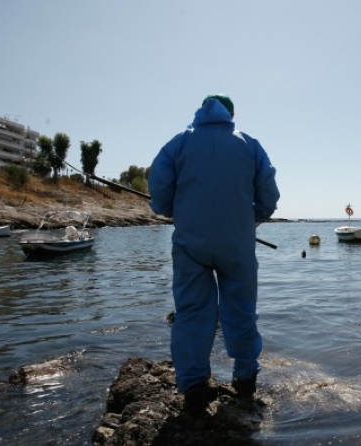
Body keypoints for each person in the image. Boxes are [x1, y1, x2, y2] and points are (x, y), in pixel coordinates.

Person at [148, 94, 280, 411]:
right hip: (237, 243)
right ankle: (245, 379)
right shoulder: (249, 144)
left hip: (190, 243)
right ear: (231, 114)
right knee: (242, 310)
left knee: (191, 312)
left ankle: (194, 385)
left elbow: (160, 186)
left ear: (200, 112)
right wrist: (253, 218)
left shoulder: (178, 143)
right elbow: (269, 193)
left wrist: (169, 210)